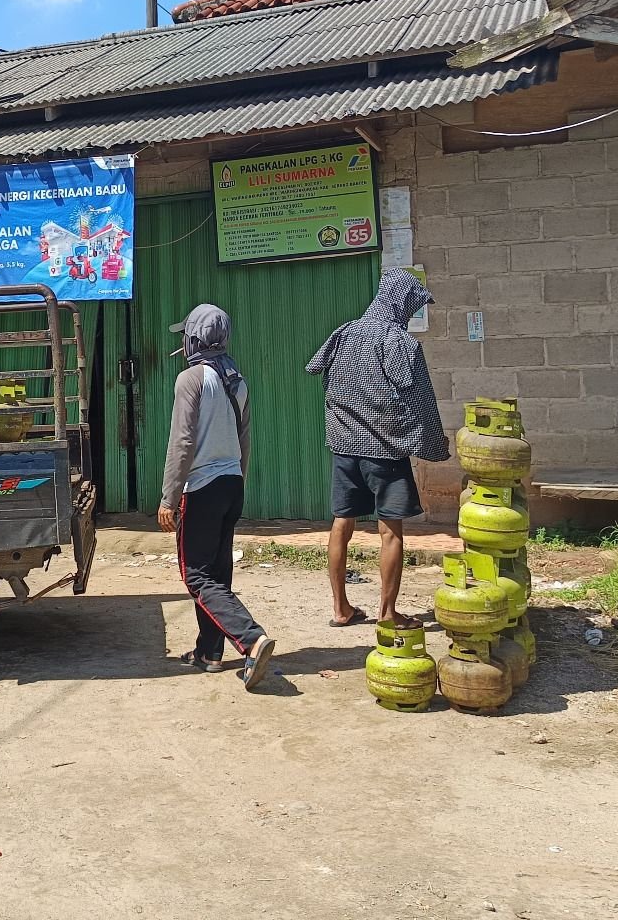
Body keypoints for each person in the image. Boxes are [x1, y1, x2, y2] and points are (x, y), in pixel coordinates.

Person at [306, 268, 450, 629]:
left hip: (344, 448)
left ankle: (341, 608)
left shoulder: (344, 333)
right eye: (413, 306)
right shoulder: (399, 342)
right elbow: (422, 401)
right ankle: (388, 614)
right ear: (401, 302)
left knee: (342, 523)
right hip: (385, 451)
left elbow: (315, 368)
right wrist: (435, 446)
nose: (412, 313)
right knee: (390, 531)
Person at [158, 303, 277, 690]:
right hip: (230, 484)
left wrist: (168, 498)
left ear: (193, 338)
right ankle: (209, 653)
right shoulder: (236, 380)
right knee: (217, 572)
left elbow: (182, 441)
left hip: (203, 488)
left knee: (196, 575)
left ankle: (251, 638)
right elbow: (246, 439)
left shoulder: (191, 379)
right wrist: (239, 480)